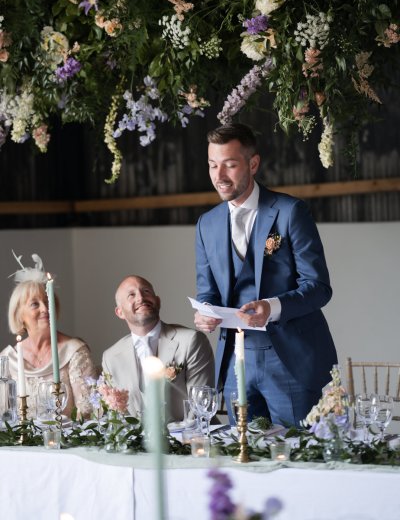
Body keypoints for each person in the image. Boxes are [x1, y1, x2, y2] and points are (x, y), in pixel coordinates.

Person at [194, 123, 337, 427]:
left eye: (230, 165)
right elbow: (208, 291)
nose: (219, 176)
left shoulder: (290, 211)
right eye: (212, 165)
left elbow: (318, 287)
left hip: (289, 359)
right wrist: (205, 313)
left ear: (253, 163)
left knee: (299, 456)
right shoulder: (206, 224)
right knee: (245, 457)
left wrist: (272, 307)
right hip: (235, 360)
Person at [102, 275, 215, 423]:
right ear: (120, 312)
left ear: (158, 301)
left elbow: (200, 409)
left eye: (146, 291)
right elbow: (116, 417)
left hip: (188, 439)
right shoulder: (110, 357)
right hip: (137, 442)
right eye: (131, 295)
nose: (141, 298)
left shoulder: (191, 341)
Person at [1, 253, 98, 419]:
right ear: (19, 315)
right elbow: (4, 416)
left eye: (48, 301)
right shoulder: (7, 358)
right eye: (35, 304)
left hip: (67, 442)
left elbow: (89, 413)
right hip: (20, 444)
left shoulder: (74, 351)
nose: (45, 309)